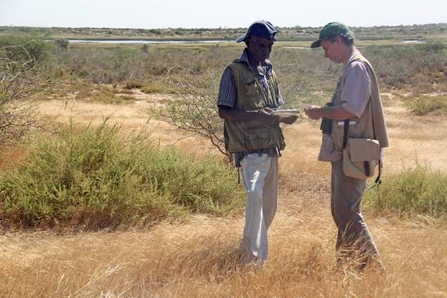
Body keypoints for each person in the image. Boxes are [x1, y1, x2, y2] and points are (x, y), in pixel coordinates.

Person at [305, 22, 389, 270]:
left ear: (339, 40)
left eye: (326, 46)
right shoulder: (353, 67)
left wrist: (319, 112)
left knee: (348, 212)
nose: (325, 53)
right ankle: (346, 266)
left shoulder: (357, 68)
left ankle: (373, 269)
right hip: (349, 151)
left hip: (354, 152)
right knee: (341, 211)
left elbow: (349, 110)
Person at [217, 20, 298, 266]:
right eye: (261, 45)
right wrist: (255, 116)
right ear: (249, 42)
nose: (266, 50)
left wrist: (285, 117)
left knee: (268, 208)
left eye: (270, 46)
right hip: (249, 148)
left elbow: (275, 107)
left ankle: (252, 252)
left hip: (271, 146)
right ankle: (252, 261)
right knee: (254, 198)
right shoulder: (233, 71)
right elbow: (224, 111)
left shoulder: (269, 71)